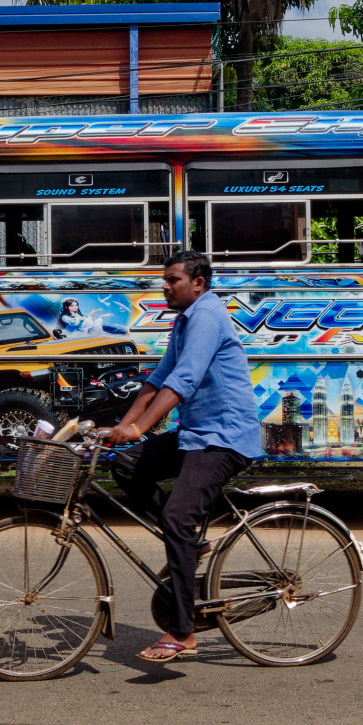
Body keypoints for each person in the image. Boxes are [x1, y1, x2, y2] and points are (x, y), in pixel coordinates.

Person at [104, 250, 261, 663]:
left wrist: (139, 428)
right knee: (124, 464)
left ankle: (182, 632)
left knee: (176, 515)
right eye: (165, 279)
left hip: (223, 437)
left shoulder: (207, 317)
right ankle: (189, 544)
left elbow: (184, 381)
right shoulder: (184, 321)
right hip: (195, 434)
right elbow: (157, 381)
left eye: (173, 279)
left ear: (198, 283)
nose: (165, 285)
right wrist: (120, 429)